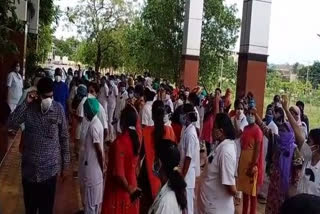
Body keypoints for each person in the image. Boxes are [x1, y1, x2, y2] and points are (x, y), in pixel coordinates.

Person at [8, 77, 70, 214]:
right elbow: (11, 124)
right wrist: (25, 103)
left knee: (46, 210)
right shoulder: (29, 108)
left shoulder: (58, 109)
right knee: (30, 210)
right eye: (45, 97)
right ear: (38, 95)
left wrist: (66, 165)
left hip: (49, 172)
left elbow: (64, 138)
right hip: (29, 172)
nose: (49, 99)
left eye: (51, 96)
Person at [253, 96, 304, 214]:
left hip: (285, 193)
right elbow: (265, 129)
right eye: (280, 132)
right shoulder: (278, 144)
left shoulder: (295, 152)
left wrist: (291, 196)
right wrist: (256, 115)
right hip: (273, 189)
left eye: (284, 133)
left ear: (290, 135)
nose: (281, 135)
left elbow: (296, 179)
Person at [101, 105, 141, 214]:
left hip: (121, 189)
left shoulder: (120, 142)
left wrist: (129, 189)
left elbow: (119, 173)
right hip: (132, 184)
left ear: (123, 121)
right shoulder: (136, 139)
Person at [139, 100, 176, 213]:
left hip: (147, 175)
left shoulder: (145, 131)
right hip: (165, 175)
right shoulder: (170, 131)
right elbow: (174, 155)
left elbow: (140, 154)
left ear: (152, 115)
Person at [197, 113, 237, 214]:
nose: (212, 130)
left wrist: (237, 195)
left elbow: (231, 188)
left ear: (221, 131)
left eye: (214, 127)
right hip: (210, 205)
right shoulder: (220, 146)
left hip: (218, 208)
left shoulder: (225, 152)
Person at [79, 98, 105, 214]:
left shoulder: (94, 126)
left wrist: (102, 166)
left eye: (85, 111)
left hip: (93, 171)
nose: (84, 114)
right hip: (95, 170)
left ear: (88, 112)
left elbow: (99, 150)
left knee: (90, 204)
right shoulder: (96, 122)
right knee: (94, 203)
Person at [148, 139, 187, 214]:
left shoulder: (166, 202)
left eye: (155, 158)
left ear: (159, 163)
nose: (153, 162)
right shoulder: (169, 187)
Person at [237, 107, 264, 214]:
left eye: (252, 114)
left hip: (252, 164)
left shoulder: (258, 131)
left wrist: (253, 165)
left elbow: (257, 151)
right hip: (243, 161)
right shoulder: (246, 128)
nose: (249, 116)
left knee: (252, 194)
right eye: (248, 113)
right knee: (245, 191)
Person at [179, 103, 200, 214]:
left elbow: (188, 157)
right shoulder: (186, 130)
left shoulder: (191, 134)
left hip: (187, 175)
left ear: (187, 116)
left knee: (188, 206)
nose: (181, 116)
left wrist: (182, 175)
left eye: (182, 113)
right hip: (184, 171)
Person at [257, 105, 279, 203]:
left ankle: (265, 194)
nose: (268, 115)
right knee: (261, 169)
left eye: (270, 113)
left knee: (266, 172)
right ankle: (260, 191)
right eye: (267, 113)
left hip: (269, 150)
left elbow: (274, 140)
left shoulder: (274, 127)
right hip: (263, 147)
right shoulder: (264, 123)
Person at [297, 129, 320, 196]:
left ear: (316, 147)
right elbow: (299, 136)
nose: (306, 144)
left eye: (309, 141)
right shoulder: (308, 158)